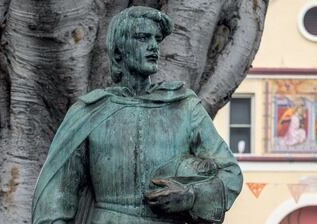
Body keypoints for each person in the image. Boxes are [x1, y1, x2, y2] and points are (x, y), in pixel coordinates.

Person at [32, 6, 242, 224]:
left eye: (156, 39)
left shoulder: (185, 107)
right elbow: (55, 198)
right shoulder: (90, 112)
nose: (153, 46)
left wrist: (192, 195)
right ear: (118, 51)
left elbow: (230, 173)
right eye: (142, 38)